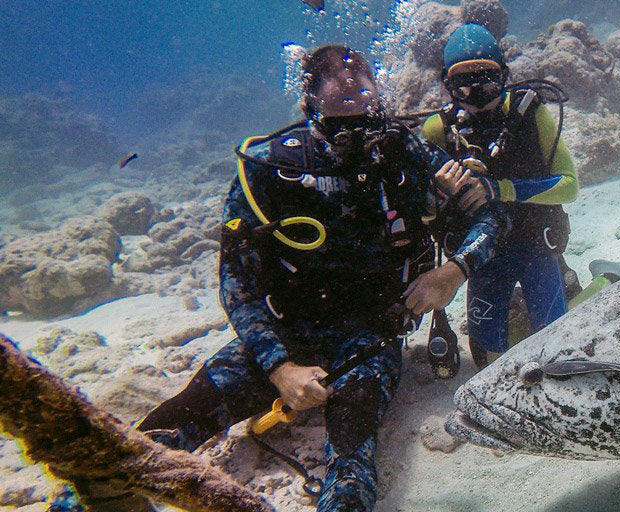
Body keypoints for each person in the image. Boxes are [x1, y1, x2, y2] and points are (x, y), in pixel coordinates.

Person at [51, 44, 505, 512]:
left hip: (370, 337)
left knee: (352, 460)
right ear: (308, 95)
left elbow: (492, 217)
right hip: (282, 331)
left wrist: (452, 272)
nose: (350, 84)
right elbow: (237, 286)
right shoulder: (269, 166)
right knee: (165, 430)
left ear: (378, 88)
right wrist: (280, 367)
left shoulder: (407, 151)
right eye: (332, 79)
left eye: (361, 76)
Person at [421, 23, 580, 367]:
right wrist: (438, 191)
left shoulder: (529, 113)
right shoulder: (438, 130)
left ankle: (598, 283)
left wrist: (501, 189)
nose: (477, 91)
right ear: (448, 85)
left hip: (536, 245)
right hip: (484, 259)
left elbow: (570, 184)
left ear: (505, 75)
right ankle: (534, 311)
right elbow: (418, 210)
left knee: (557, 348)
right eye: (463, 82)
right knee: (485, 360)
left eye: (487, 78)